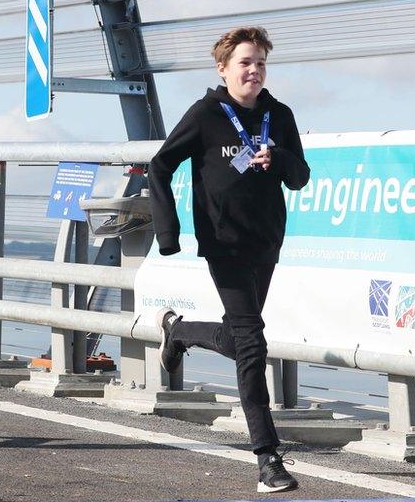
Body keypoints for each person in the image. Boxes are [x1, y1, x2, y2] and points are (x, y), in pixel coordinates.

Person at [148, 26, 310, 493]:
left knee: (241, 337)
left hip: (266, 242)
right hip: (224, 242)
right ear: (224, 68)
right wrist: (168, 232)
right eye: (245, 62)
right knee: (254, 344)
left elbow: (299, 176)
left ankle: (178, 331)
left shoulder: (279, 116)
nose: (254, 70)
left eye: (260, 62)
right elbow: (161, 165)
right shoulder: (205, 115)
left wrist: (277, 158)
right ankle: (267, 458)